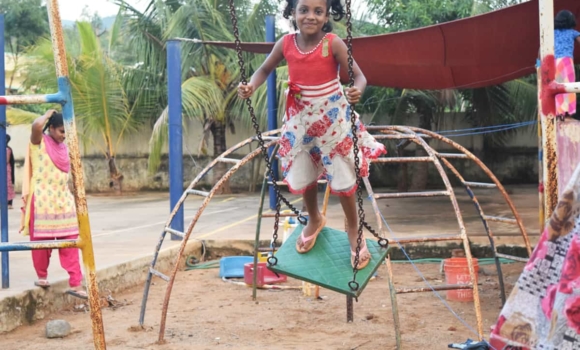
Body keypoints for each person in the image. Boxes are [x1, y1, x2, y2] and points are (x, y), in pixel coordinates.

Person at [238, 0, 386, 269]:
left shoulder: (333, 43)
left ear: (327, 15)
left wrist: (357, 90)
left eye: (318, 11)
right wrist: (251, 85)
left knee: (342, 176)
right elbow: (264, 69)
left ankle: (353, 227)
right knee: (302, 170)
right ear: (292, 13)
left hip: (332, 120)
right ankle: (314, 218)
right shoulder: (286, 44)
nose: (310, 16)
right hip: (301, 120)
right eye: (304, 9)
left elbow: (360, 76)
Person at [19, 110, 86, 299]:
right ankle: (42, 276)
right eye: (61, 131)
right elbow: (36, 126)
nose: (64, 136)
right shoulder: (39, 142)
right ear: (51, 128)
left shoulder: (65, 147)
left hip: (63, 200)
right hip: (42, 202)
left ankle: (76, 283)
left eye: (67, 132)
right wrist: (48, 113)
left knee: (71, 243)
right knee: (41, 244)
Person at [554, 9, 580, 119]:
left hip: (555, 63)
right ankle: (568, 111)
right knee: (568, 86)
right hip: (567, 62)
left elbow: (541, 49)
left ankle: (559, 112)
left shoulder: (552, 32)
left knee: (557, 87)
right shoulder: (573, 33)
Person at [6, 134, 14, 209]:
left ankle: (9, 203)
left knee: (8, 185)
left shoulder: (7, 149)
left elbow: (6, 161)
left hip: (6, 169)